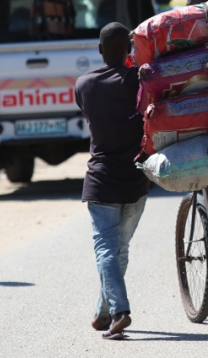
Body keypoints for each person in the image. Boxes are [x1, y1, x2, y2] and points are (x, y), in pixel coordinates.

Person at [74, 22, 151, 340]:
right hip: (136, 180)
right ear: (129, 51)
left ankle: (120, 311)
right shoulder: (140, 82)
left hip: (102, 179)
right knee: (119, 250)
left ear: (100, 50)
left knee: (107, 248)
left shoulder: (84, 84)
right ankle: (103, 312)